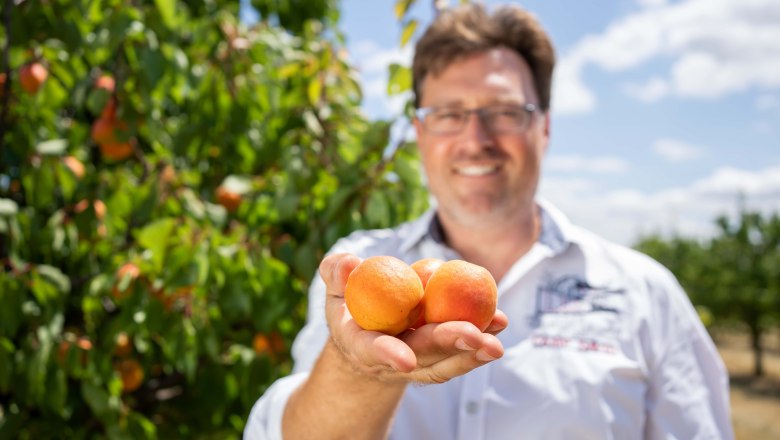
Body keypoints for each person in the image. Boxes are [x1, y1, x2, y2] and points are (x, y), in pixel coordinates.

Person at [245, 4, 733, 439]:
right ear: (419, 132)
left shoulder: (646, 294)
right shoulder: (355, 276)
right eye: (449, 113)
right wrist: (357, 371)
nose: (475, 138)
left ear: (544, 126)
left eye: (504, 111)